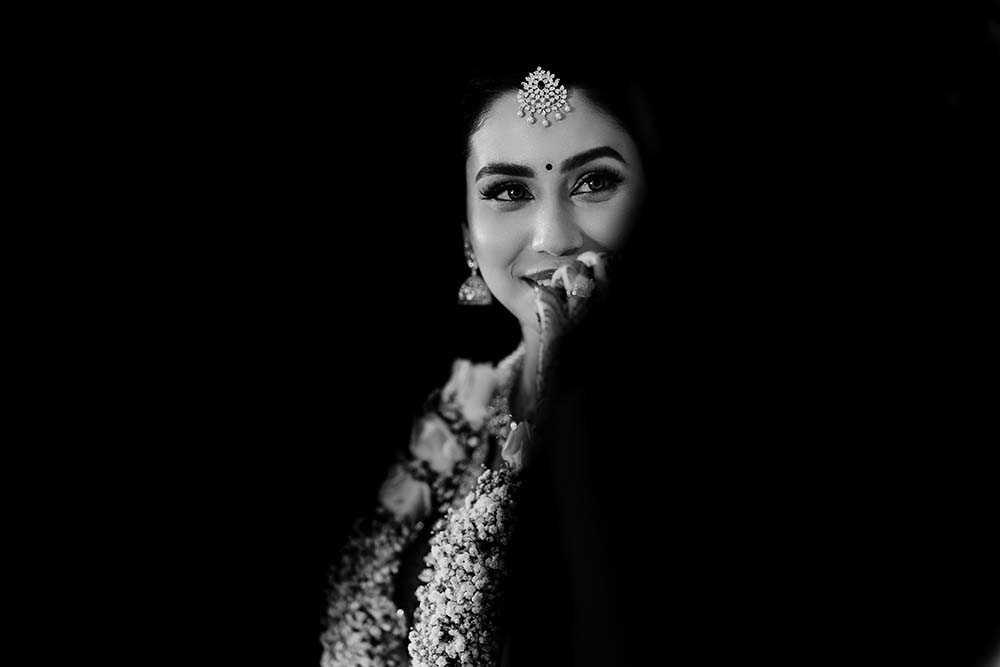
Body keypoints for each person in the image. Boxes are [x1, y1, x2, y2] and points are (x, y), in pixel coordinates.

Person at [319, 62, 661, 666]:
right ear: (466, 235)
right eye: (509, 191)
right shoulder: (454, 417)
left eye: (594, 182)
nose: (553, 237)